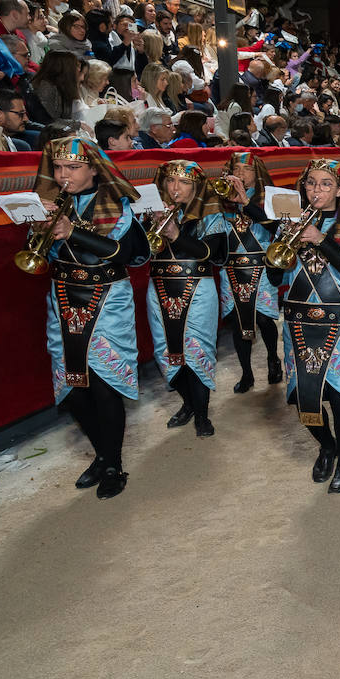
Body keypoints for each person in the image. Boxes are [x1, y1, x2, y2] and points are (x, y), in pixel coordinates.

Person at [32, 135, 148, 499]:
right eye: (59, 168)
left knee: (104, 385)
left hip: (107, 297)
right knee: (72, 389)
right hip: (63, 297)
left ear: (93, 168)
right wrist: (38, 228)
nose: (64, 175)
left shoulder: (116, 201)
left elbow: (123, 253)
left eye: (73, 167)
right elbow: (40, 256)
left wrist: (73, 231)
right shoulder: (51, 202)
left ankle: (113, 464)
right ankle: (102, 454)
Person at [272, 159, 340, 493]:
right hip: (298, 322)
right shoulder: (290, 224)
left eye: (326, 184)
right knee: (304, 400)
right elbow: (275, 276)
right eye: (311, 183)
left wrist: (320, 239)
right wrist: (285, 241)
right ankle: (326, 445)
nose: (317, 190)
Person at [145, 161, 230, 438]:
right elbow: (139, 251)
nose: (174, 188)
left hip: (197, 288)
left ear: (196, 187)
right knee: (166, 352)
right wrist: (149, 222)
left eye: (183, 182)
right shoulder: (155, 212)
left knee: (197, 352)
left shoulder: (212, 214)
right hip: (158, 287)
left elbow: (210, 252)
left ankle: (202, 414)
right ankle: (189, 403)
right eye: (170, 181)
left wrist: (177, 234)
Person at [217, 152, 283, 394]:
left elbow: (276, 226)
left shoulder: (269, 198)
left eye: (246, 170)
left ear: (258, 174)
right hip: (232, 270)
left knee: (264, 318)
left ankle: (273, 358)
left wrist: (246, 201)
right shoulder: (221, 198)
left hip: (262, 267)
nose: (241, 174)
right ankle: (246, 372)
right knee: (237, 322)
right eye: (236, 168)